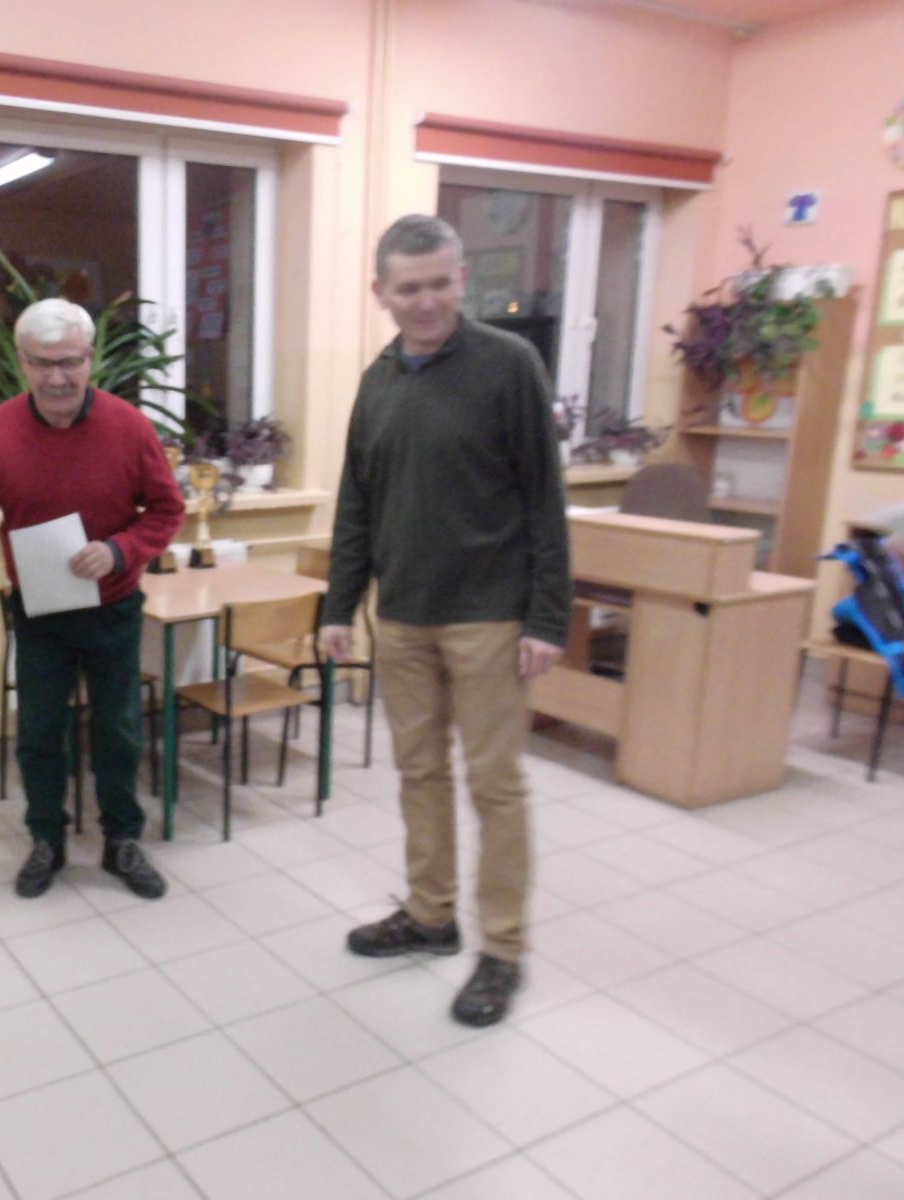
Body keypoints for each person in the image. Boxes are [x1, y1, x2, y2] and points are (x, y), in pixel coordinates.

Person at [319, 214, 572, 1027]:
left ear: (461, 280)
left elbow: (544, 498)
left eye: (438, 283)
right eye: (408, 288)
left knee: (496, 786)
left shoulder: (509, 365)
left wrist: (547, 617)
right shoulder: (378, 381)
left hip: (489, 618)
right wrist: (339, 606)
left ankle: (503, 950)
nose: (425, 301)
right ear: (381, 293)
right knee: (418, 775)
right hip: (403, 617)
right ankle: (430, 915)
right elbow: (357, 504)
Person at [0, 298, 185, 900]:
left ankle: (122, 840)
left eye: (69, 361)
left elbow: (166, 509)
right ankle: (46, 838)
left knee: (119, 730)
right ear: (21, 362)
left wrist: (121, 549)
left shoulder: (129, 426)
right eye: (42, 363)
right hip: (40, 612)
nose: (56, 377)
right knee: (40, 733)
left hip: (113, 608)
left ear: (90, 358)